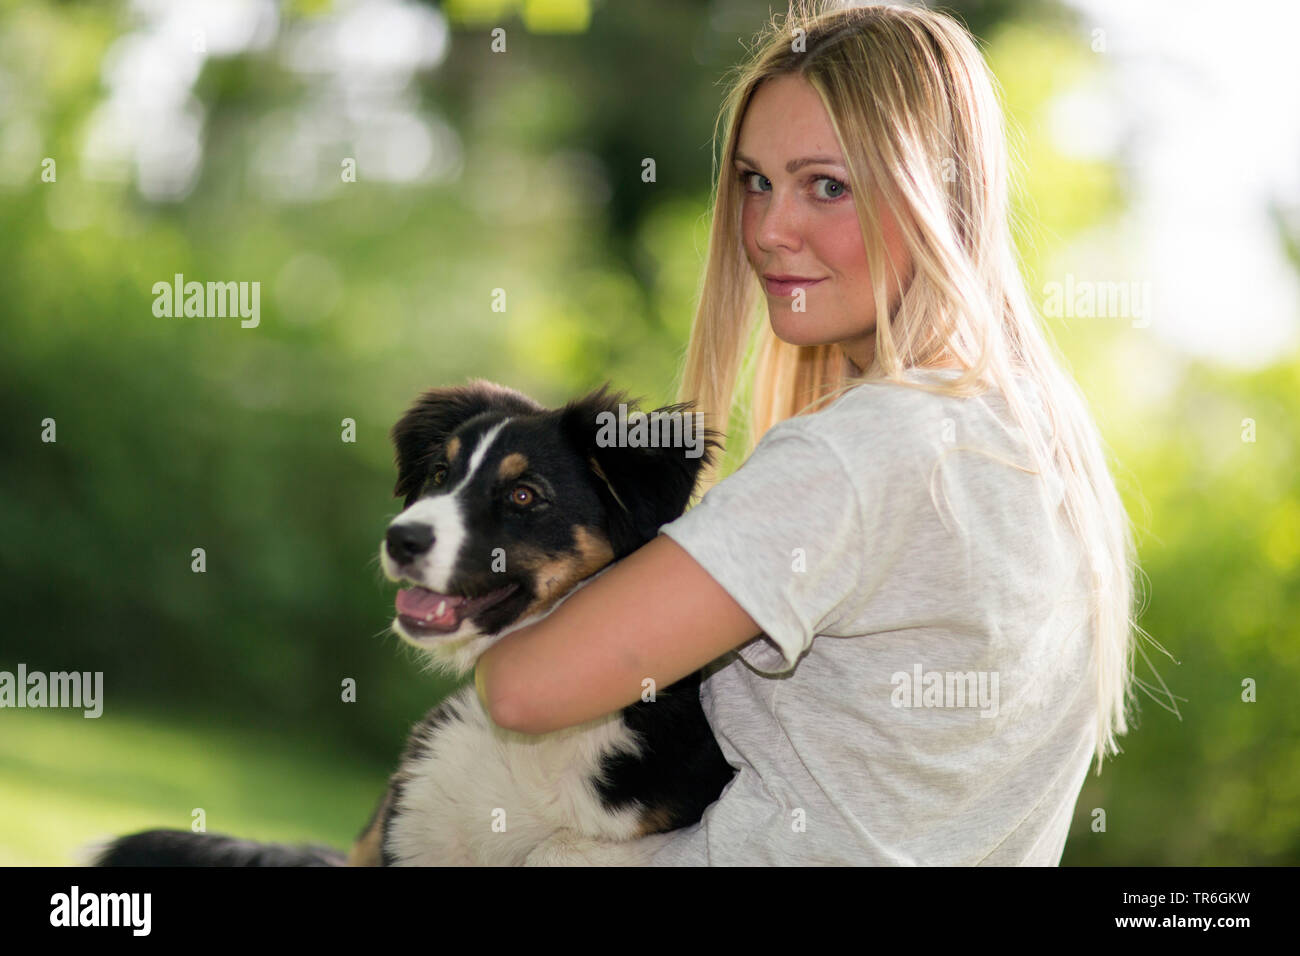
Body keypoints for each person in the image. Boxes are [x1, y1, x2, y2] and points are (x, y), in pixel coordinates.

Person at [473, 0, 1145, 865]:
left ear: (934, 194)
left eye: (826, 185)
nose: (769, 229)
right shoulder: (1033, 444)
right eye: (756, 181)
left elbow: (523, 689)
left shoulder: (865, 452)